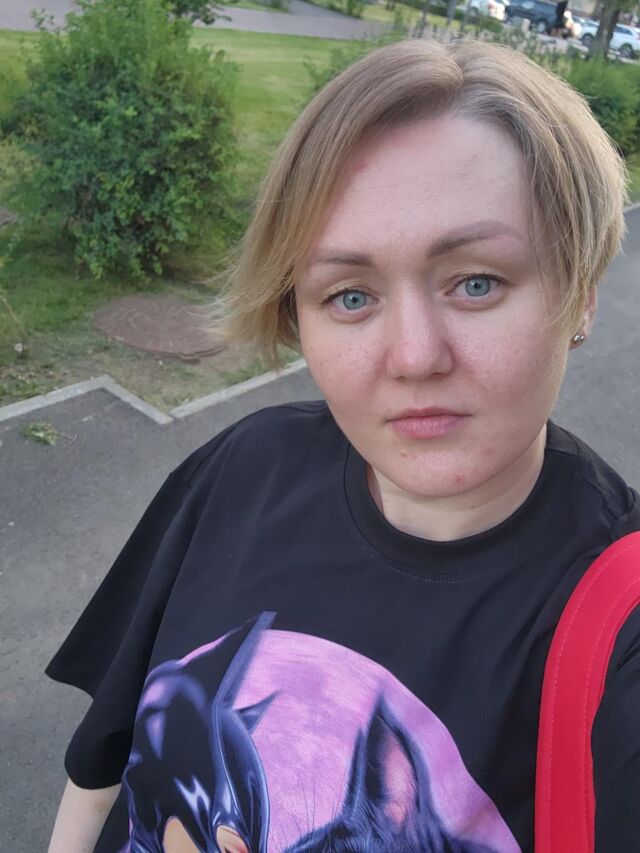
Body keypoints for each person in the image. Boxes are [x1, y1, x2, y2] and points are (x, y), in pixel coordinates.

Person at [47, 38, 640, 853]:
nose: (415, 356)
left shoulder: (621, 628)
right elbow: (99, 768)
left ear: (581, 294)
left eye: (477, 282)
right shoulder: (242, 469)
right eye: (351, 296)